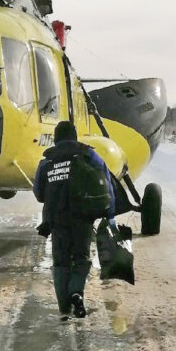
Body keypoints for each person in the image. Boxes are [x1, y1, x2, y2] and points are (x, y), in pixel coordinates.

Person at [33, 120, 116, 319]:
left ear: (56, 139)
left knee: (61, 263)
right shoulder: (89, 155)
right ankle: (76, 292)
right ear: (75, 137)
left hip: (56, 219)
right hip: (83, 216)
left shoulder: (47, 161)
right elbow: (106, 183)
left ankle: (64, 308)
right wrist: (110, 215)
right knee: (81, 258)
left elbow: (38, 193)